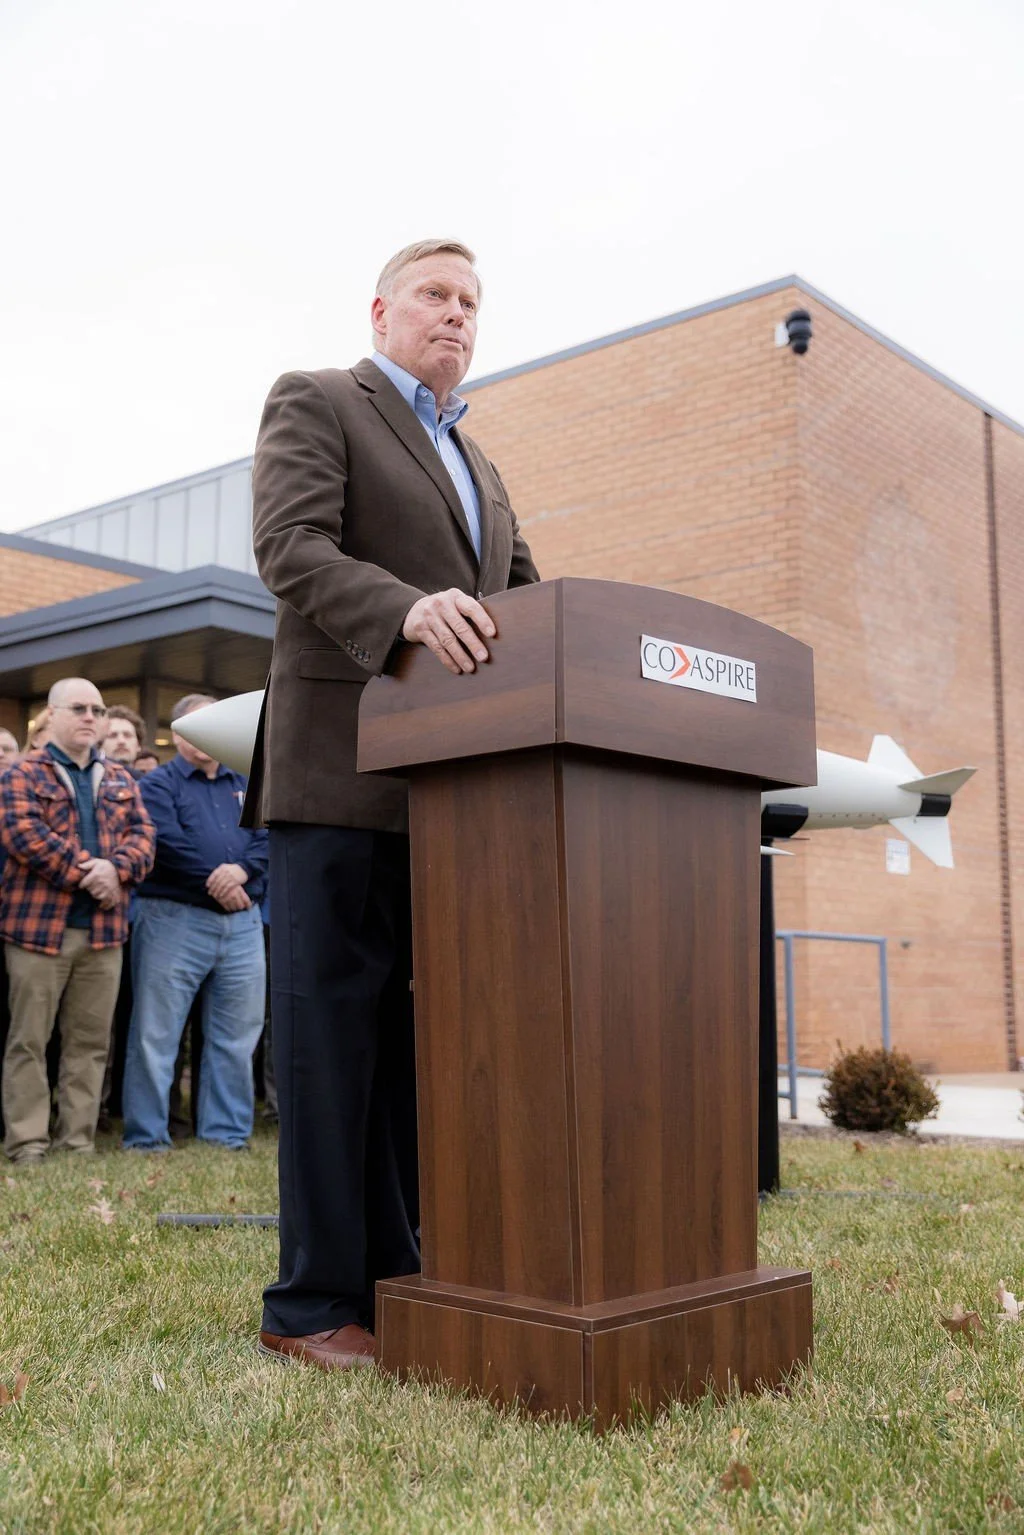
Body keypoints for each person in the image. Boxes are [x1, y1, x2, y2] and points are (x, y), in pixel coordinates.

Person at [248, 238, 539, 1370]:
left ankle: (395, 1271)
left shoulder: (480, 462)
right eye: (434, 294)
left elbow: (526, 604)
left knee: (411, 1048)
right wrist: (411, 610)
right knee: (330, 1041)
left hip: (446, 799)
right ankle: (311, 1304)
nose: (455, 314)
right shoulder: (322, 400)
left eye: (471, 301)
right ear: (382, 310)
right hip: (336, 771)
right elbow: (289, 547)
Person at [0, 678, 155, 1163]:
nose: (91, 716)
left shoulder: (120, 778)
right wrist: (93, 873)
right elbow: (24, 835)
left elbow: (145, 837)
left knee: (90, 1043)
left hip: (104, 934)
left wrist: (117, 869)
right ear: (50, 715)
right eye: (79, 708)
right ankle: (27, 1141)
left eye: (98, 709)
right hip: (39, 932)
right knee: (29, 1040)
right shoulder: (22, 773)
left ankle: (77, 1141)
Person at [121, 694, 269, 1151]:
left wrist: (241, 872)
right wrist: (218, 879)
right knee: (155, 1035)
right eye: (194, 724)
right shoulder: (157, 784)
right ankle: (147, 1137)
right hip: (173, 919)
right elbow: (164, 841)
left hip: (242, 925)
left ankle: (226, 1134)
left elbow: (269, 833)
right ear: (179, 731)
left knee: (236, 1036)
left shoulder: (248, 781)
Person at [103, 706, 146, 771]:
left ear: (138, 745)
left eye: (127, 735)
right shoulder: (92, 779)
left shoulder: (151, 780)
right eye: (112, 736)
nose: (121, 741)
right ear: (100, 743)